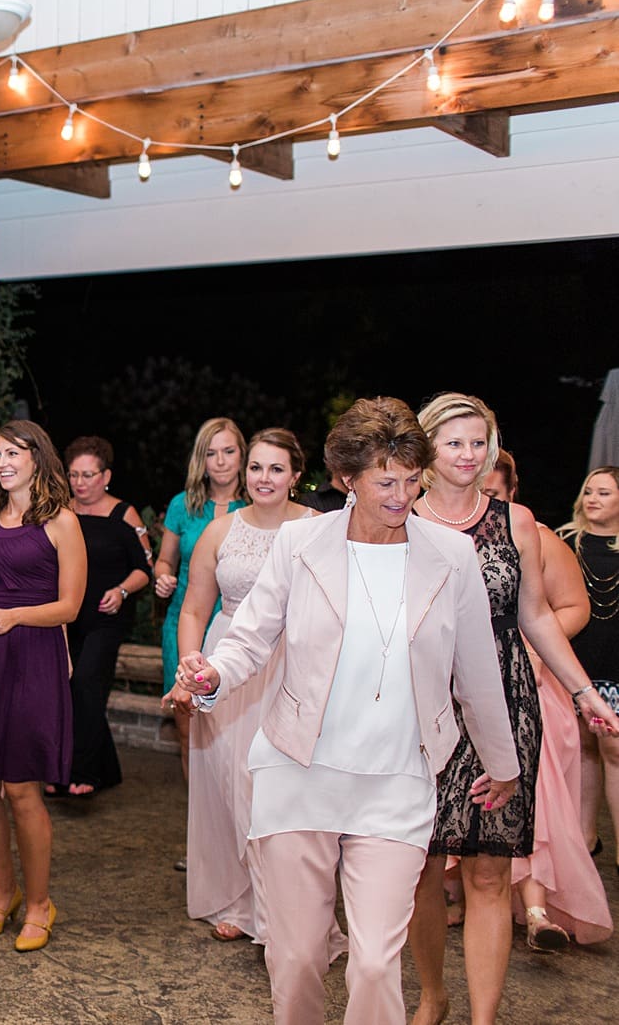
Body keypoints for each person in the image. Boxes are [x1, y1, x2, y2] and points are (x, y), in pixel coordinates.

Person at [171, 397, 518, 1025]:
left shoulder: (452, 556)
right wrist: (212, 673)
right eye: (386, 481)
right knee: (299, 957)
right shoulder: (302, 543)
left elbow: (477, 672)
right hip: (298, 773)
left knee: (378, 964)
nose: (401, 494)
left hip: (396, 782)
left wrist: (503, 763)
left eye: (413, 480)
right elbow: (251, 637)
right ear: (347, 479)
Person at [407, 393, 619, 1025]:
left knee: (491, 872)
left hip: (504, 698)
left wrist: (584, 693)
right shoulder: (400, 517)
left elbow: (536, 617)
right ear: (427, 449)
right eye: (454, 442)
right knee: (418, 865)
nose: (468, 455)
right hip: (422, 706)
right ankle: (433, 996)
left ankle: (483, 1017)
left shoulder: (517, 522)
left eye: (479, 442)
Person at [0, 420, 85, 953]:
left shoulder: (62, 521)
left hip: (34, 654)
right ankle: (2, 894)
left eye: (12, 454)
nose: (2, 463)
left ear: (36, 458)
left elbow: (69, 605)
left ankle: (39, 903)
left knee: (22, 786)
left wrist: (14, 616)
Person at [173, 428, 317, 945]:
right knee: (230, 784)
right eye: (256, 467)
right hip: (227, 665)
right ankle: (239, 898)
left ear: (296, 476)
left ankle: (287, 910)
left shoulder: (318, 529)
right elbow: (193, 608)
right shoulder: (220, 532)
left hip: (292, 665)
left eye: (276, 468)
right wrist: (192, 667)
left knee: (279, 790)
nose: (264, 477)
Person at [482, 453, 612, 951]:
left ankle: (536, 910)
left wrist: (535, 651)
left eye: (495, 493)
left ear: (513, 491)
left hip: (531, 686)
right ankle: (474, 896)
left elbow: (575, 606)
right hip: (462, 688)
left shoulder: (538, 537)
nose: (486, 502)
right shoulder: (441, 533)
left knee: (532, 797)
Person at [153, 418, 247, 788]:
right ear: (200, 460)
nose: (221, 461)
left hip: (240, 628)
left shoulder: (259, 502)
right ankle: (200, 817)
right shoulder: (183, 505)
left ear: (242, 454)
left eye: (228, 451)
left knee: (236, 730)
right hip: (186, 623)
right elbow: (166, 559)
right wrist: (163, 576)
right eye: (211, 453)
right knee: (188, 727)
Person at [61, 436, 151, 798]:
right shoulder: (63, 512)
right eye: (74, 475)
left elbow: (145, 568)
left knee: (84, 684)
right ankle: (107, 768)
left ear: (106, 475)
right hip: (67, 616)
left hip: (106, 616)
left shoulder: (123, 514)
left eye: (88, 475)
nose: (81, 483)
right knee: (72, 690)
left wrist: (122, 591)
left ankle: (83, 772)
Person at [558, 467, 619, 860]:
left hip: (615, 666)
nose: (593, 498)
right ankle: (583, 842)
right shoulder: (564, 540)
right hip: (573, 663)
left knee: (613, 750)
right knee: (580, 749)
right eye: (589, 491)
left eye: (605, 493)